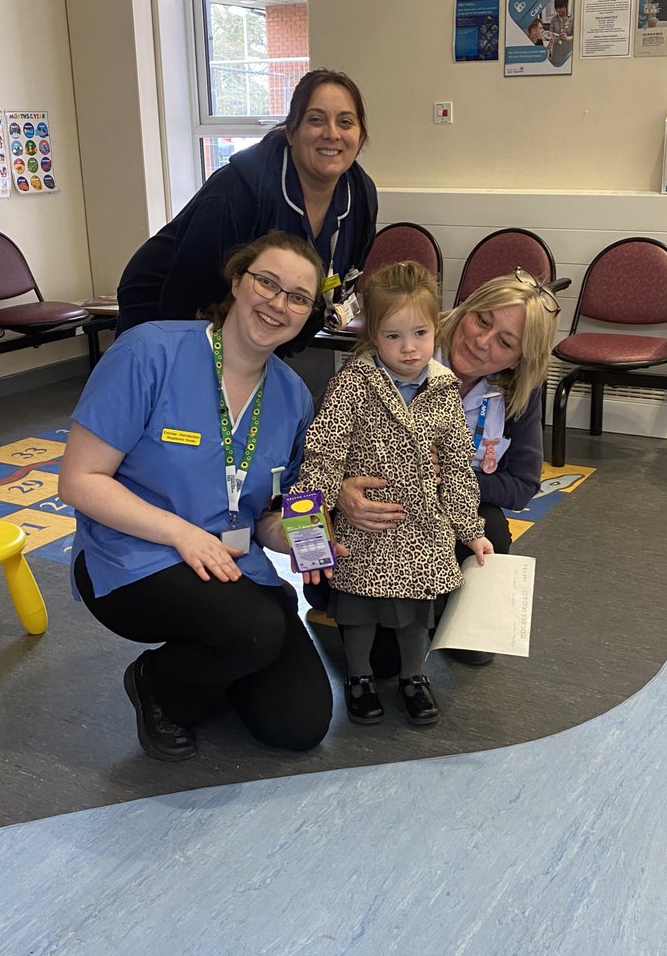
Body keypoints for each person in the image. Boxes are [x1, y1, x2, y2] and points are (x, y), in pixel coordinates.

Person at [59, 231, 335, 761]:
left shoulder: (292, 396)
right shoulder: (150, 351)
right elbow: (79, 480)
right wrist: (181, 533)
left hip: (229, 564)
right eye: (267, 283)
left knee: (299, 724)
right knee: (254, 629)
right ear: (237, 282)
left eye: (298, 297)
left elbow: (267, 518)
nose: (278, 304)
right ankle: (156, 683)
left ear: (307, 314)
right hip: (133, 558)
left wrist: (311, 539)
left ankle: (218, 659)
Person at [305, 267, 561, 671]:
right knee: (382, 665)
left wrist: (446, 476)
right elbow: (317, 450)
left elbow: (522, 486)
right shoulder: (385, 353)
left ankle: (450, 612)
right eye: (482, 320)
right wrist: (336, 495)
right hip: (372, 522)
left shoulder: (516, 394)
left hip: (436, 519)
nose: (481, 342)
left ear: (518, 360)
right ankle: (347, 603)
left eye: (504, 342)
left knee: (489, 526)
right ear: (466, 308)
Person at [295, 262, 493, 726]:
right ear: (371, 335)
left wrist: (470, 530)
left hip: (422, 528)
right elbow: (322, 455)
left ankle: (413, 676)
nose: (409, 348)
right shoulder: (352, 384)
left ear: (436, 327)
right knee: (359, 611)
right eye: (392, 336)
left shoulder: (444, 388)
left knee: (416, 613)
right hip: (364, 527)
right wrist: (307, 538)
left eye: (420, 333)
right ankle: (358, 676)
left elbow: (459, 472)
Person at [115, 69, 378, 353]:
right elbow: (189, 298)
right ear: (291, 132)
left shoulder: (361, 197)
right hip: (165, 311)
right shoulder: (235, 192)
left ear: (360, 136)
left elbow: (337, 283)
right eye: (315, 119)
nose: (332, 133)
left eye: (345, 122)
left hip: (248, 327)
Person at [548, 0, 573, 68]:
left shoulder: (572, 19)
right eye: (556, 8)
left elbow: (576, 36)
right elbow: (550, 32)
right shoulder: (553, 19)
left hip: (569, 52)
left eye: (561, 7)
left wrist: (567, 38)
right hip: (557, 52)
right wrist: (550, 36)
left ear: (566, 6)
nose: (558, 10)